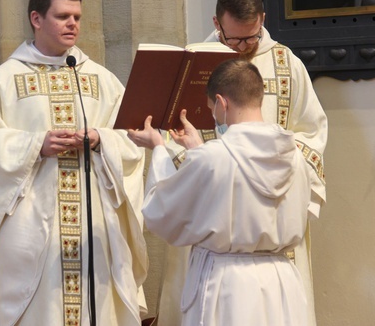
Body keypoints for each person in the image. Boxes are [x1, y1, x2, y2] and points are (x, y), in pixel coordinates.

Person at [0, 0, 148, 325]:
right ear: (37, 19)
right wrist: (37, 145)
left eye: (77, 17)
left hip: (94, 223)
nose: (73, 25)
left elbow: (132, 136)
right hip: (29, 223)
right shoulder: (5, 80)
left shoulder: (99, 79)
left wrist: (99, 139)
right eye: (63, 16)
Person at [157, 0, 327, 325]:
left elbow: (314, 132)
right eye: (234, 40)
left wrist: (276, 157)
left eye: (250, 38)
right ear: (217, 24)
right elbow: (170, 130)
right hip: (210, 213)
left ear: (262, 20)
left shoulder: (286, 63)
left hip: (268, 215)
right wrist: (198, 158)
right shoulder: (192, 61)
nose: (243, 48)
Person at [128, 59, 318, 326]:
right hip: (281, 282)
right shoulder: (295, 157)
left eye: (212, 109)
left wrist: (159, 148)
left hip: (228, 286)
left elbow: (162, 212)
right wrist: (198, 150)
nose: (215, 117)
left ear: (221, 102)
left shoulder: (212, 157)